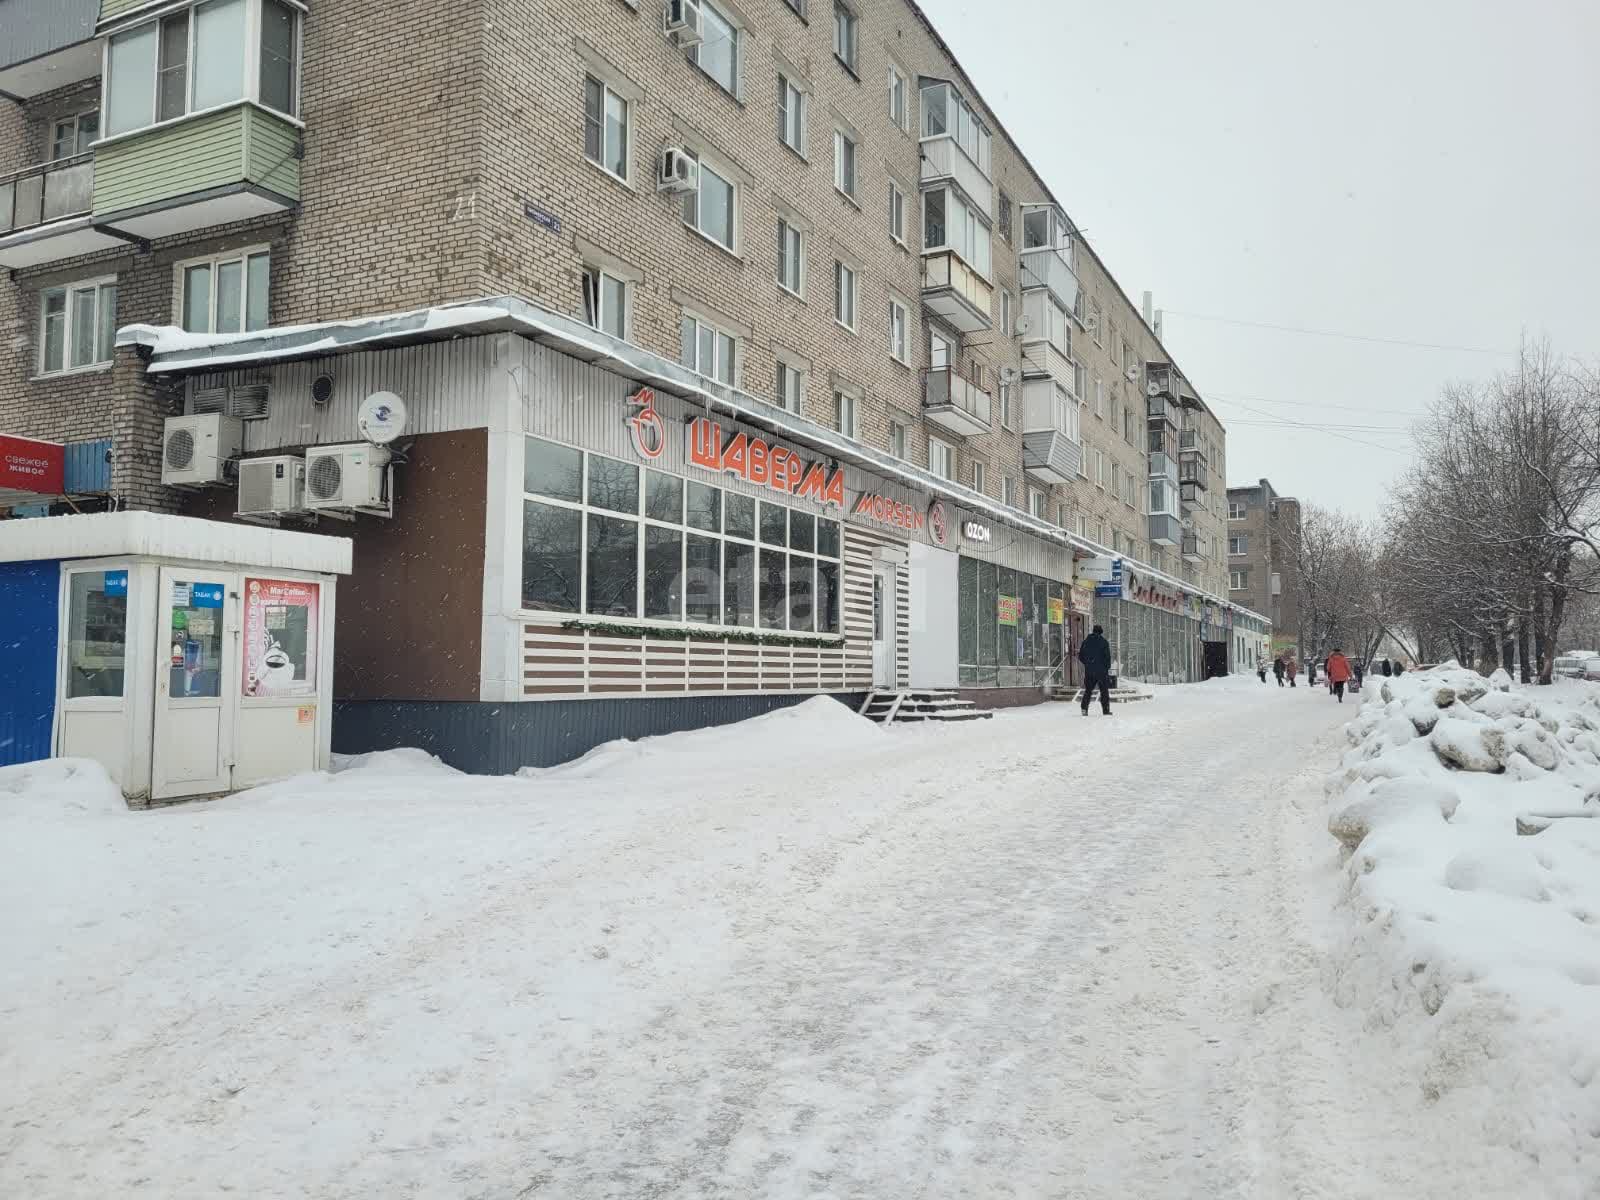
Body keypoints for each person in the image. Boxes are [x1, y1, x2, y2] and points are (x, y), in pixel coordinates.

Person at [1077, 624, 1113, 716]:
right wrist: (1106, 667)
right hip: (1101, 672)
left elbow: (1080, 656)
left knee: (1088, 690)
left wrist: (1088, 664)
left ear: (1093, 631)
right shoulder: (1104, 642)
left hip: (1089, 671)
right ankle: (1106, 710)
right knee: (1104, 691)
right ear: (1101, 632)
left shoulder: (1086, 642)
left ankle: (1084, 708)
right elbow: (1107, 657)